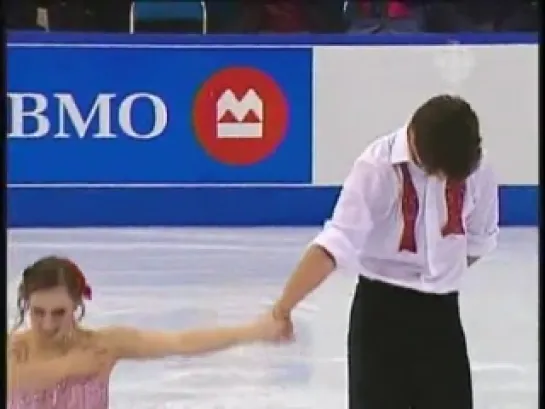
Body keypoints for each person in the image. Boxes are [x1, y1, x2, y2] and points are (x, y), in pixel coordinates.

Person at [271, 94, 499, 409]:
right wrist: (284, 306)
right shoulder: (376, 167)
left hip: (442, 317)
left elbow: (479, 239)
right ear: (415, 140)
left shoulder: (476, 165)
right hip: (381, 315)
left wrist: (444, 275)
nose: (442, 179)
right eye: (436, 171)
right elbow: (336, 242)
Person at [7, 256, 287, 409]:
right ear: (25, 305)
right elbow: (19, 380)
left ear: (77, 306)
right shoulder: (15, 350)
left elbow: (179, 342)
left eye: (59, 313)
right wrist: (69, 366)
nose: (47, 324)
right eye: (37, 312)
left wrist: (255, 330)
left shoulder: (103, 346)